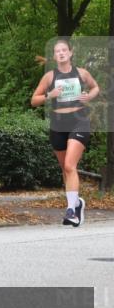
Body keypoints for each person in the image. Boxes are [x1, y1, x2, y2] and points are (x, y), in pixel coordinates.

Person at [30, 38, 99, 227]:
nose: (60, 53)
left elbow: (95, 88)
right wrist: (49, 96)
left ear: (70, 53)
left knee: (70, 165)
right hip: (58, 123)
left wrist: (88, 96)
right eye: (57, 51)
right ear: (54, 55)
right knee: (65, 169)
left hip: (78, 121)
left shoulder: (82, 73)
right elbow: (34, 100)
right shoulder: (49, 77)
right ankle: (76, 203)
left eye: (63, 50)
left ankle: (71, 212)